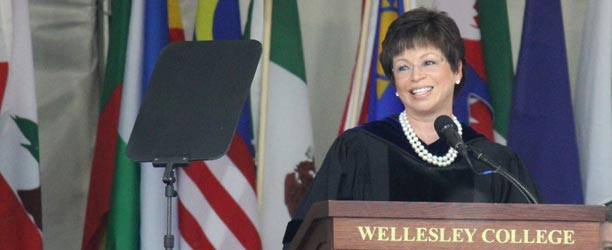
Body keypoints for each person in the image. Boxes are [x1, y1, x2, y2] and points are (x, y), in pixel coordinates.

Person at [282, 7, 539, 247]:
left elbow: (537, 238)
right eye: (403, 67)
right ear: (394, 82)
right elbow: (304, 238)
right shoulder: (359, 150)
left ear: (457, 69)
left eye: (428, 62)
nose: (416, 76)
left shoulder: (494, 163)